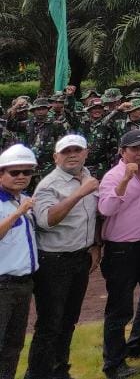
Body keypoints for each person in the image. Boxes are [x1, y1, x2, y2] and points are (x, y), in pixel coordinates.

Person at [29, 134, 99, 379]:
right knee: (50, 324)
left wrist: (96, 244)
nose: (72, 155)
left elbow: (91, 217)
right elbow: (47, 220)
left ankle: (59, 371)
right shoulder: (49, 185)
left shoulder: (88, 176)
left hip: (80, 258)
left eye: (77, 150)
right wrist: (79, 193)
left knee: (69, 320)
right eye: (66, 151)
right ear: (55, 156)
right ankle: (37, 374)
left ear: (86, 153)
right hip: (54, 261)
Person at [97, 129, 140, 379]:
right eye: (135, 148)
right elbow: (106, 208)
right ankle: (114, 363)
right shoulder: (113, 175)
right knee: (119, 309)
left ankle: (138, 343)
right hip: (121, 250)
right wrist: (124, 180)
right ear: (123, 152)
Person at [0, 145, 38, 379]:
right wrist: (17, 214)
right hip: (2, 285)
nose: (22, 176)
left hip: (24, 283)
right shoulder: (17, 205)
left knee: (14, 345)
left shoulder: (24, 200)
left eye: (27, 172)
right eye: (15, 172)